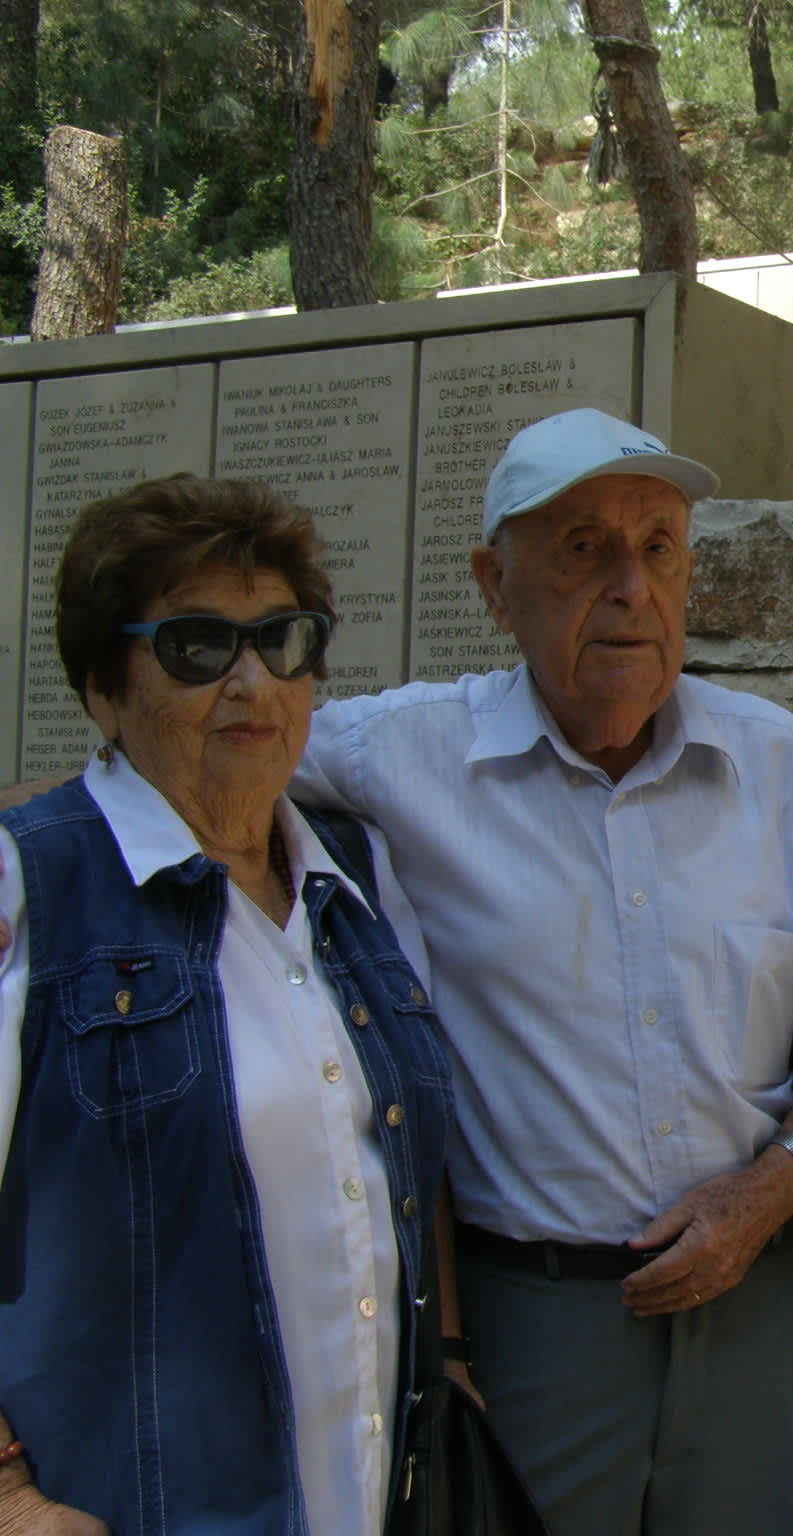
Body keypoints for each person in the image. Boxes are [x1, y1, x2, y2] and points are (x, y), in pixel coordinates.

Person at [285, 407, 793, 1536]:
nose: (629, 586)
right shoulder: (400, 755)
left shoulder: (790, 776)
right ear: (493, 583)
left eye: (657, 546)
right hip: (536, 1320)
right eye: (581, 550)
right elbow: (197, 754)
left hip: (770, 1291)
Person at [0, 476, 455, 1535]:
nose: (254, 681)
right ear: (102, 687)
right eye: (199, 647)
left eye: (285, 641)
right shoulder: (33, 888)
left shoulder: (359, 878)